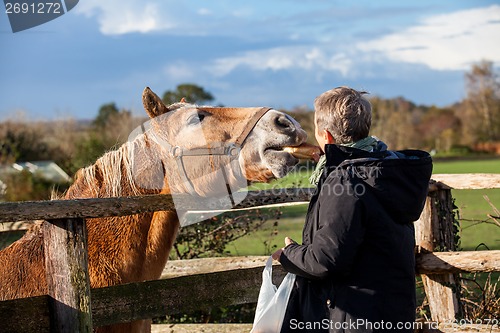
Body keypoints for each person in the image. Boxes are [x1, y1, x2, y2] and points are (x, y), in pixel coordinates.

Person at [272, 87, 433, 333]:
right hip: (392, 314)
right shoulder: (385, 168)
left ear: (325, 135)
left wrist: (288, 254)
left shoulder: (346, 180)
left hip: (355, 320)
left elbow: (326, 260)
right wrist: (331, 161)